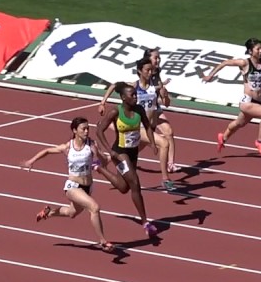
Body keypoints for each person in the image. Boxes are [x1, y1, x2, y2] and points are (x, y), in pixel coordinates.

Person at [23, 117, 128, 252]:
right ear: (75, 131)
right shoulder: (68, 147)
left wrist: (101, 156)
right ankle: (103, 241)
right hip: (73, 186)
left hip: (87, 187)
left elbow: (103, 160)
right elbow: (48, 151)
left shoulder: (92, 144)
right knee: (94, 208)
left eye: (88, 128)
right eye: (83, 129)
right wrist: (31, 161)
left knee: (71, 213)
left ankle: (48, 213)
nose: (86, 131)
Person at [100, 52, 178, 191]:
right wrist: (103, 102)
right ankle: (165, 179)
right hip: (138, 127)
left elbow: (166, 104)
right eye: (147, 70)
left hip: (149, 127)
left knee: (133, 153)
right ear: (139, 71)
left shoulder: (155, 87)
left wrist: (165, 97)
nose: (150, 73)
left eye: (151, 70)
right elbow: (114, 85)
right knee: (164, 143)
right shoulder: (132, 87)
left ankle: (105, 161)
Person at [95, 82, 158, 236]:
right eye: (132, 95)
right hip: (119, 152)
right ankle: (146, 223)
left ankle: (99, 168)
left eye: (136, 94)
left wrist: (152, 143)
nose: (136, 97)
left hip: (133, 152)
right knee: (135, 182)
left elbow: (148, 126)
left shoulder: (139, 109)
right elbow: (99, 131)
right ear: (123, 97)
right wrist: (110, 152)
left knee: (124, 188)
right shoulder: (115, 112)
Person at [205, 38, 261, 157]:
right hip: (247, 102)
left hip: (257, 102)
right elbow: (225, 63)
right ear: (250, 51)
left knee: (240, 123)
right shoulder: (245, 63)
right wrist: (210, 75)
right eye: (258, 49)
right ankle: (259, 142)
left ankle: (223, 137)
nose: (260, 51)